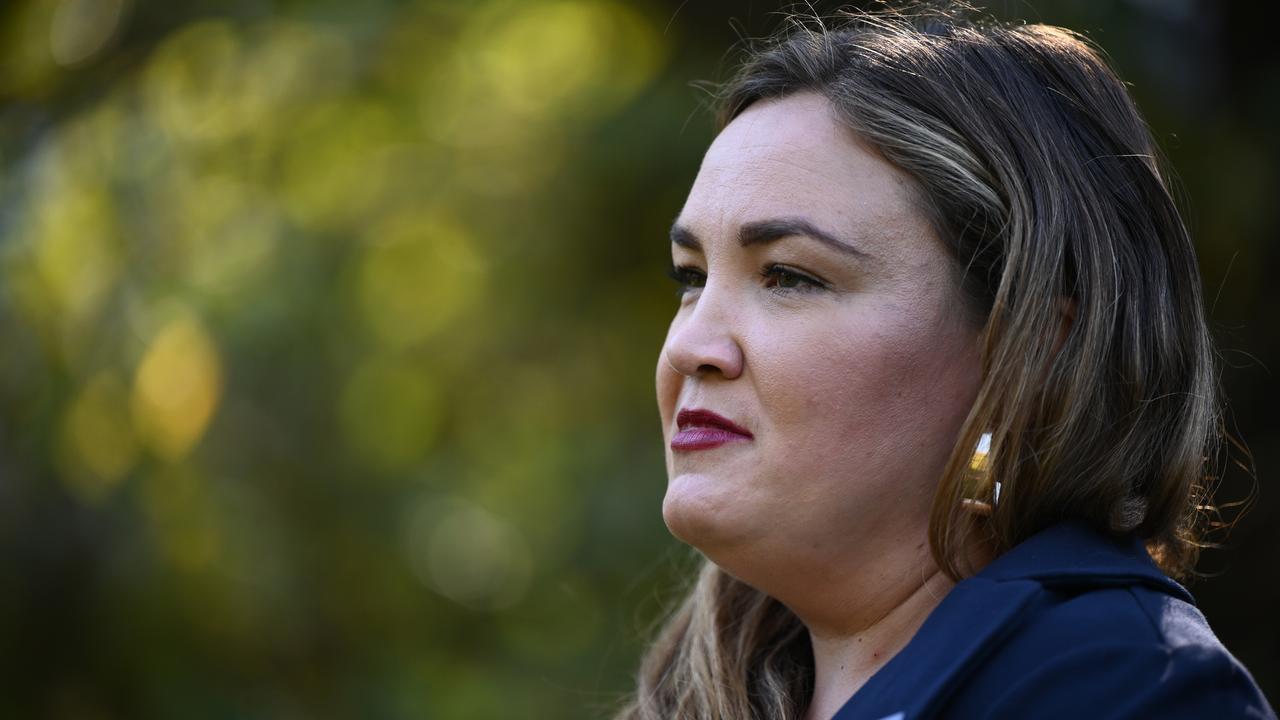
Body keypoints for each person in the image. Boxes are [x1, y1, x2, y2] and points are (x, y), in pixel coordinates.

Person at [615, 5, 1277, 720]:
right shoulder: (700, 695)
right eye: (691, 278)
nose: (689, 348)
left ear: (1031, 348)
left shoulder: (1129, 686)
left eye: (789, 276)